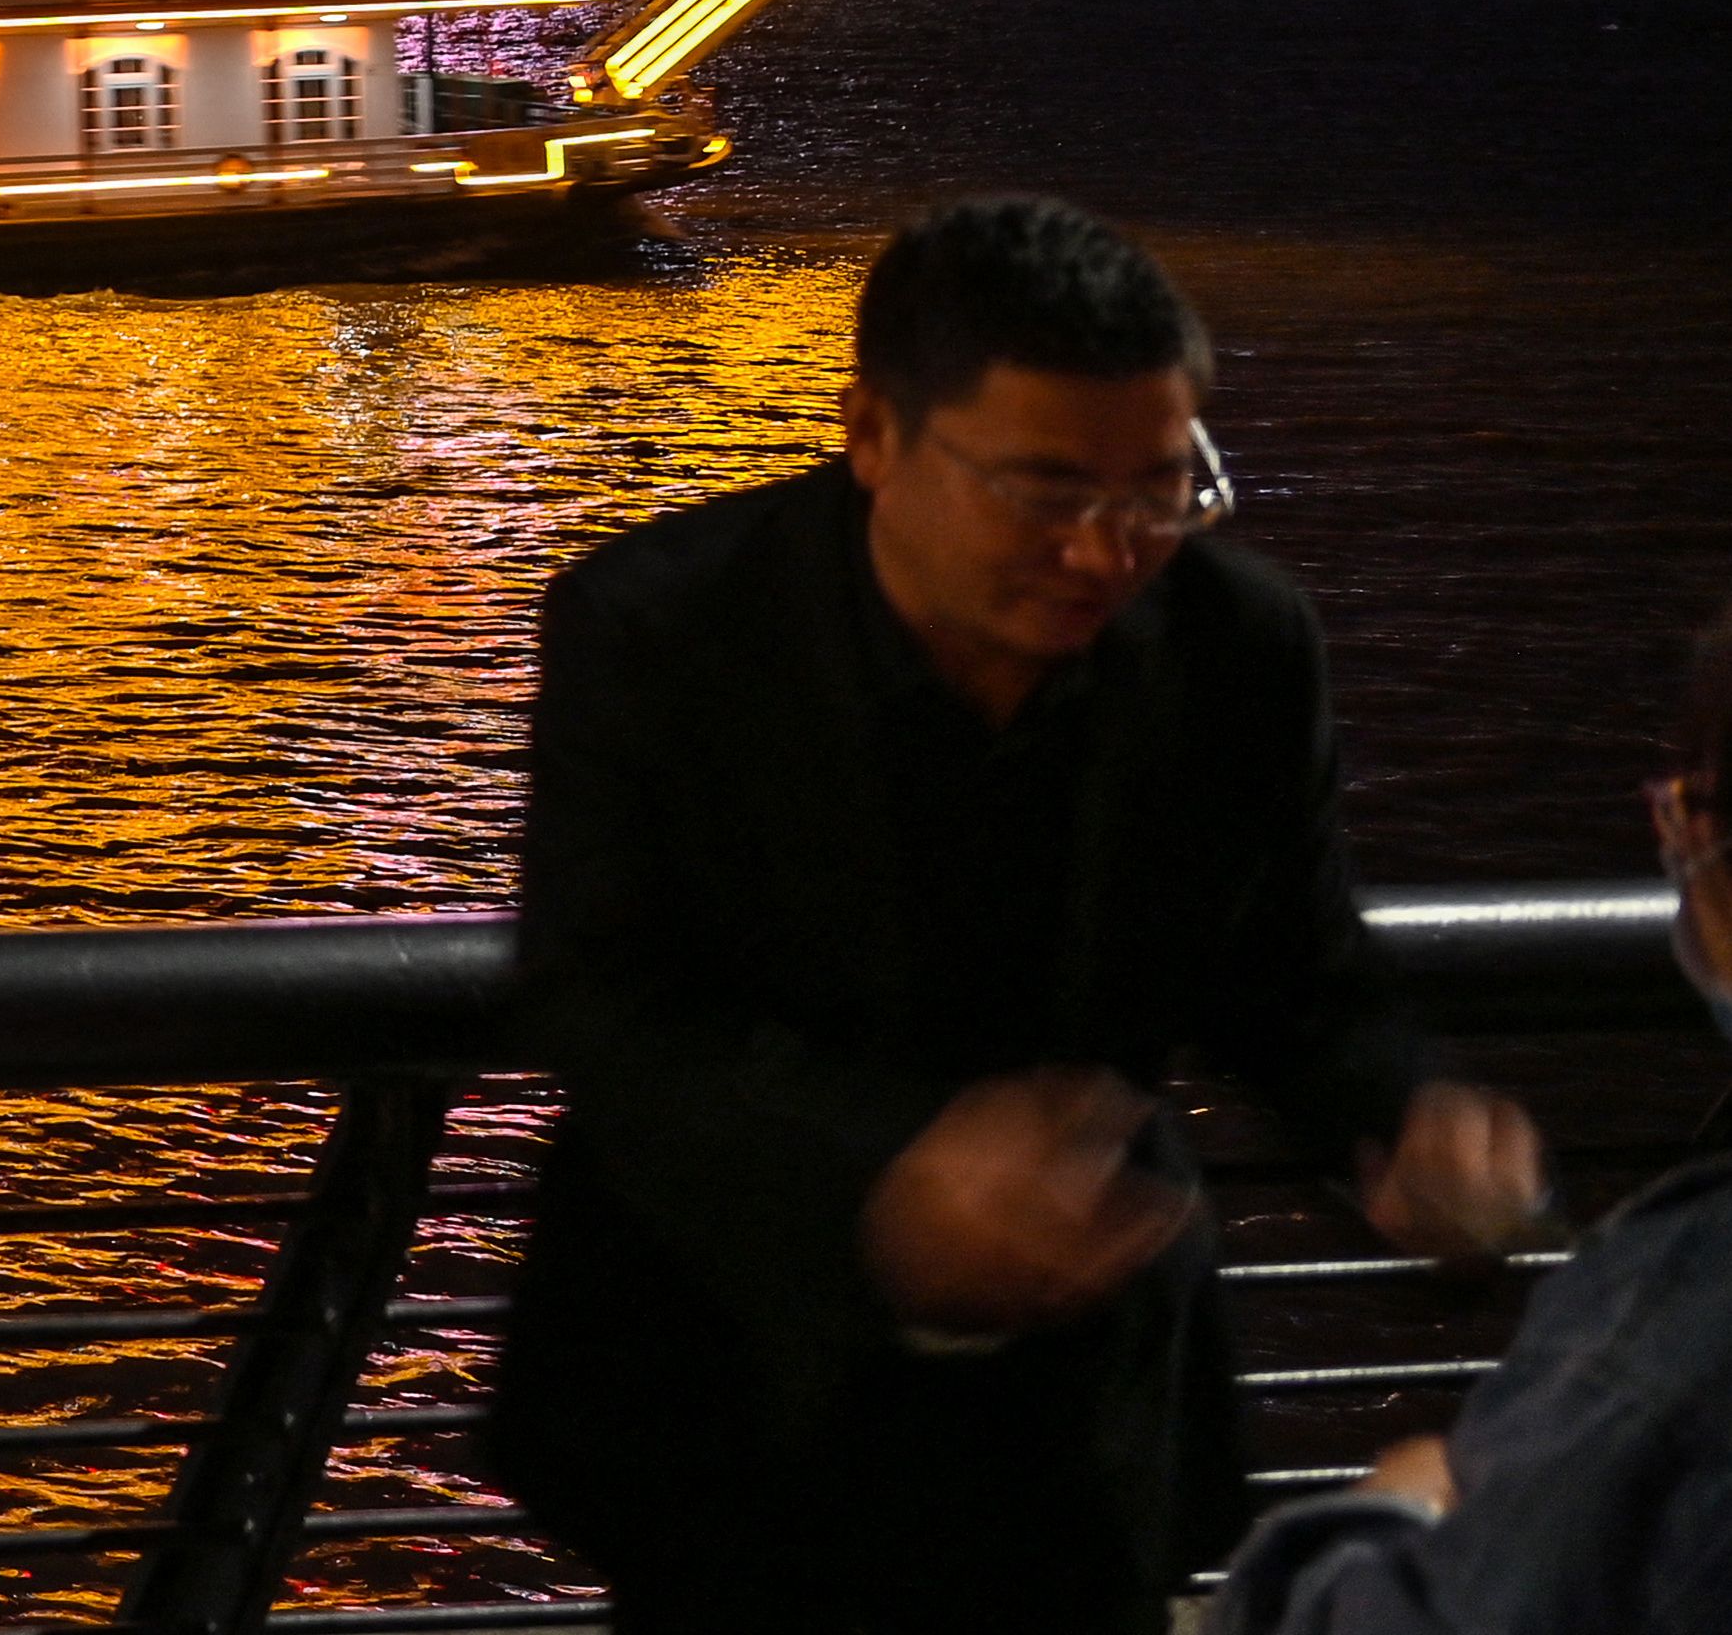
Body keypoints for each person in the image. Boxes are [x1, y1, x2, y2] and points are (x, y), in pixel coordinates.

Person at [493, 195, 1547, 1635]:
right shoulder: (663, 627)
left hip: (1084, 1410)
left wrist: (1406, 1115)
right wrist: (892, 1174)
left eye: (1166, 492)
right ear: (872, 436)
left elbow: (1293, 974)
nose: (1110, 554)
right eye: (1048, 495)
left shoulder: (1239, 646)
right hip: (736, 1389)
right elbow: (600, 1000)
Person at [1207, 593, 1732, 1628]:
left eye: (1162, 486)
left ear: (1692, 833)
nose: (1104, 544)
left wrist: (1397, 1504)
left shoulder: (1680, 1318)